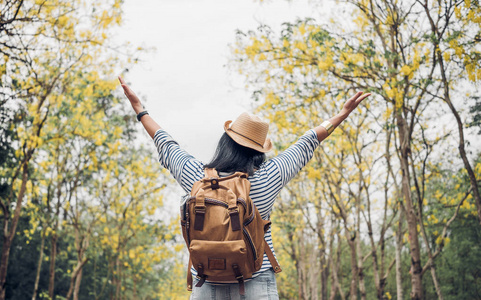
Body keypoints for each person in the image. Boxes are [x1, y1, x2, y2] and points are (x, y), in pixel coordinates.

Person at [118, 76, 370, 299]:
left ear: (225, 141)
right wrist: (341, 115)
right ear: (258, 151)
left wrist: (140, 110)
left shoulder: (196, 176)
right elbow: (307, 142)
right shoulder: (268, 177)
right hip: (256, 279)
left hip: (206, 282)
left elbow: (165, 142)